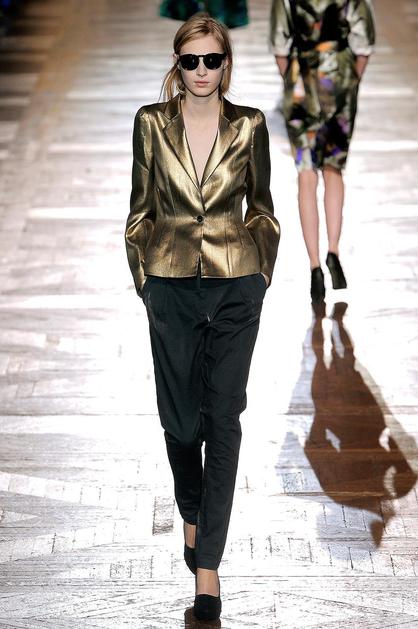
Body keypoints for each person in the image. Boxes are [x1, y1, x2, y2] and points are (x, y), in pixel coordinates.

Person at [125, 13, 280, 622]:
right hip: (170, 285)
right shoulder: (150, 123)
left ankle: (208, 568)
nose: (200, 71)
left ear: (225, 64)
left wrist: (260, 274)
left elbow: (261, 208)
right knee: (182, 423)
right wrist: (145, 282)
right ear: (178, 63)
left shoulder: (250, 125)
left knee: (224, 418)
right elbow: (140, 211)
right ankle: (190, 509)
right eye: (190, 61)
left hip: (235, 285)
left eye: (211, 60)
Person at [270, 0, 375, 302]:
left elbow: (280, 46)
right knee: (333, 168)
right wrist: (350, 82)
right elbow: (364, 44)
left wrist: (293, 83)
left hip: (300, 81)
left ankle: (314, 266)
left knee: (306, 174)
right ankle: (333, 251)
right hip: (340, 78)